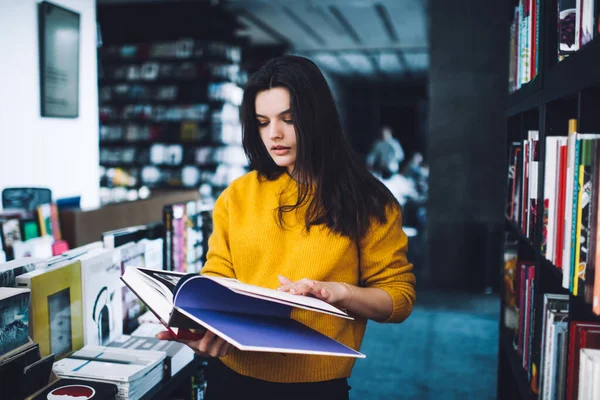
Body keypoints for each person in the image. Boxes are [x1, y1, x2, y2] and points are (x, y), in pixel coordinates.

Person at [157, 55, 416, 400]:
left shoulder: (369, 202)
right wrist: (205, 323)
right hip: (230, 376)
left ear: (317, 118)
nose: (273, 134)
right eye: (262, 122)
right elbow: (218, 273)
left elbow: (398, 296)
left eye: (289, 119)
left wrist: (339, 294)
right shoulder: (238, 194)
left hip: (315, 387)